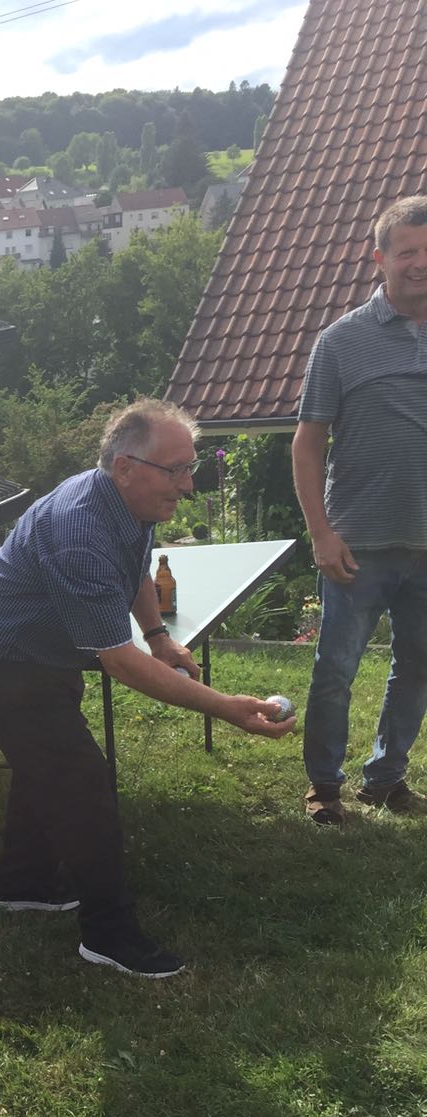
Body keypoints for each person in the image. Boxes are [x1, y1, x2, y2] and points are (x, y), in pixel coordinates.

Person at [0, 398, 296, 978]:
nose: (188, 485)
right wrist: (225, 708)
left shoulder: (132, 502)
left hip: (46, 649)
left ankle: (21, 884)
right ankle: (108, 933)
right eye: (177, 470)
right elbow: (119, 663)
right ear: (125, 467)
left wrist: (158, 636)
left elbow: (135, 566)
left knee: (50, 766)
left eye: (190, 467)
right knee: (83, 783)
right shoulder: (79, 530)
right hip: (6, 655)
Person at [293, 195, 427, 825]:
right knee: (336, 669)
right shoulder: (341, 342)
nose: (420, 263)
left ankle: (386, 777)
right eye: (408, 252)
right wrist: (320, 533)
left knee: (418, 667)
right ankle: (324, 785)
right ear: (380, 259)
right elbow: (307, 443)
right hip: (357, 545)